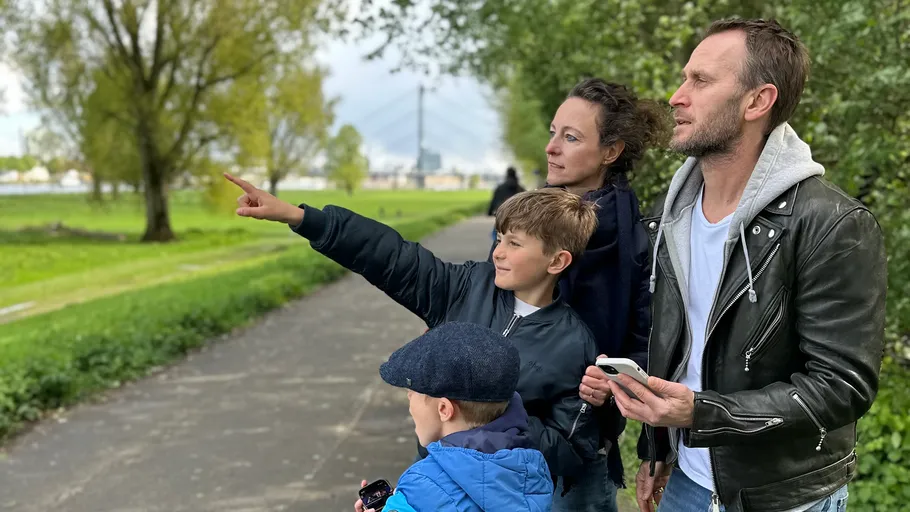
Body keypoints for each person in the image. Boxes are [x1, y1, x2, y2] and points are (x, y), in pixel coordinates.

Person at [603, 18, 887, 512]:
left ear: (757, 101)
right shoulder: (673, 217)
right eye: (684, 77)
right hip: (687, 484)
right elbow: (683, 349)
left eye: (701, 81)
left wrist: (702, 413)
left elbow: (842, 386)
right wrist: (657, 446)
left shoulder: (832, 223)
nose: (676, 96)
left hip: (781, 497)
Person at [223, 174, 603, 503]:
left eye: (515, 244)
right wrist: (300, 217)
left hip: (506, 501)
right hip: (431, 482)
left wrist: (488, 414)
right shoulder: (466, 286)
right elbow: (389, 256)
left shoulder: (575, 343)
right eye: (499, 238)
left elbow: (572, 448)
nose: (498, 252)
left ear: (557, 261)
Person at [489, 78, 671, 510]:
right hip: (495, 429)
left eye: (571, 138)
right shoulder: (524, 220)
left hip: (579, 446)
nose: (552, 147)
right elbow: (487, 305)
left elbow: (651, 344)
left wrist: (615, 380)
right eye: (554, 133)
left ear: (611, 152)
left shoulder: (638, 241)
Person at [353, 322, 553, 512]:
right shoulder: (531, 467)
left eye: (412, 392)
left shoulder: (418, 488)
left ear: (444, 409)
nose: (409, 400)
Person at [487, 166, 525, 241]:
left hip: (501, 215)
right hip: (517, 218)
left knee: (497, 237)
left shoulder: (500, 188)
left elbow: (494, 201)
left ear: (506, 175)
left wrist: (489, 212)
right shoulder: (520, 188)